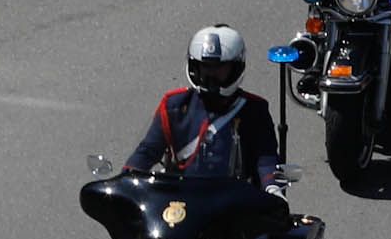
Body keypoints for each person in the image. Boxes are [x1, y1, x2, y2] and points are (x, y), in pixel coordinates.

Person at [122, 26, 286, 191]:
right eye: (206, 67)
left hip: (236, 204)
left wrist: (273, 188)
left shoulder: (254, 110)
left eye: (219, 67)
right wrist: (125, 181)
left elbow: (266, 159)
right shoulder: (174, 106)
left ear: (235, 68)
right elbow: (147, 152)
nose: (211, 74)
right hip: (181, 203)